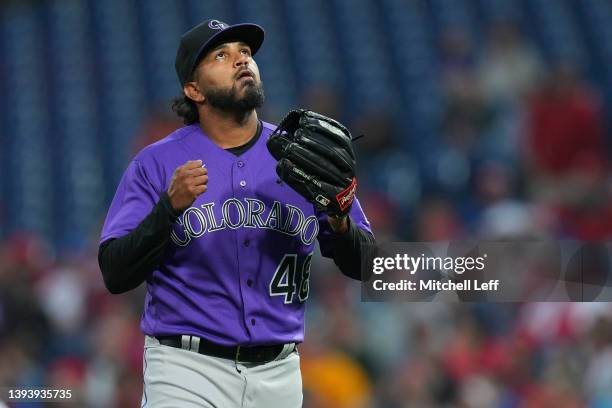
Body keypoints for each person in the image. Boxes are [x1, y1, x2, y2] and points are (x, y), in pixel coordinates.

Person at [98, 19, 375, 407]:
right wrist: (168, 209)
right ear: (193, 89)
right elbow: (115, 272)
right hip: (186, 371)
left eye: (245, 52)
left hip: (279, 373)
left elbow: (369, 267)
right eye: (221, 56)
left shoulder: (305, 155)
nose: (241, 60)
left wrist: (340, 221)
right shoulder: (156, 163)